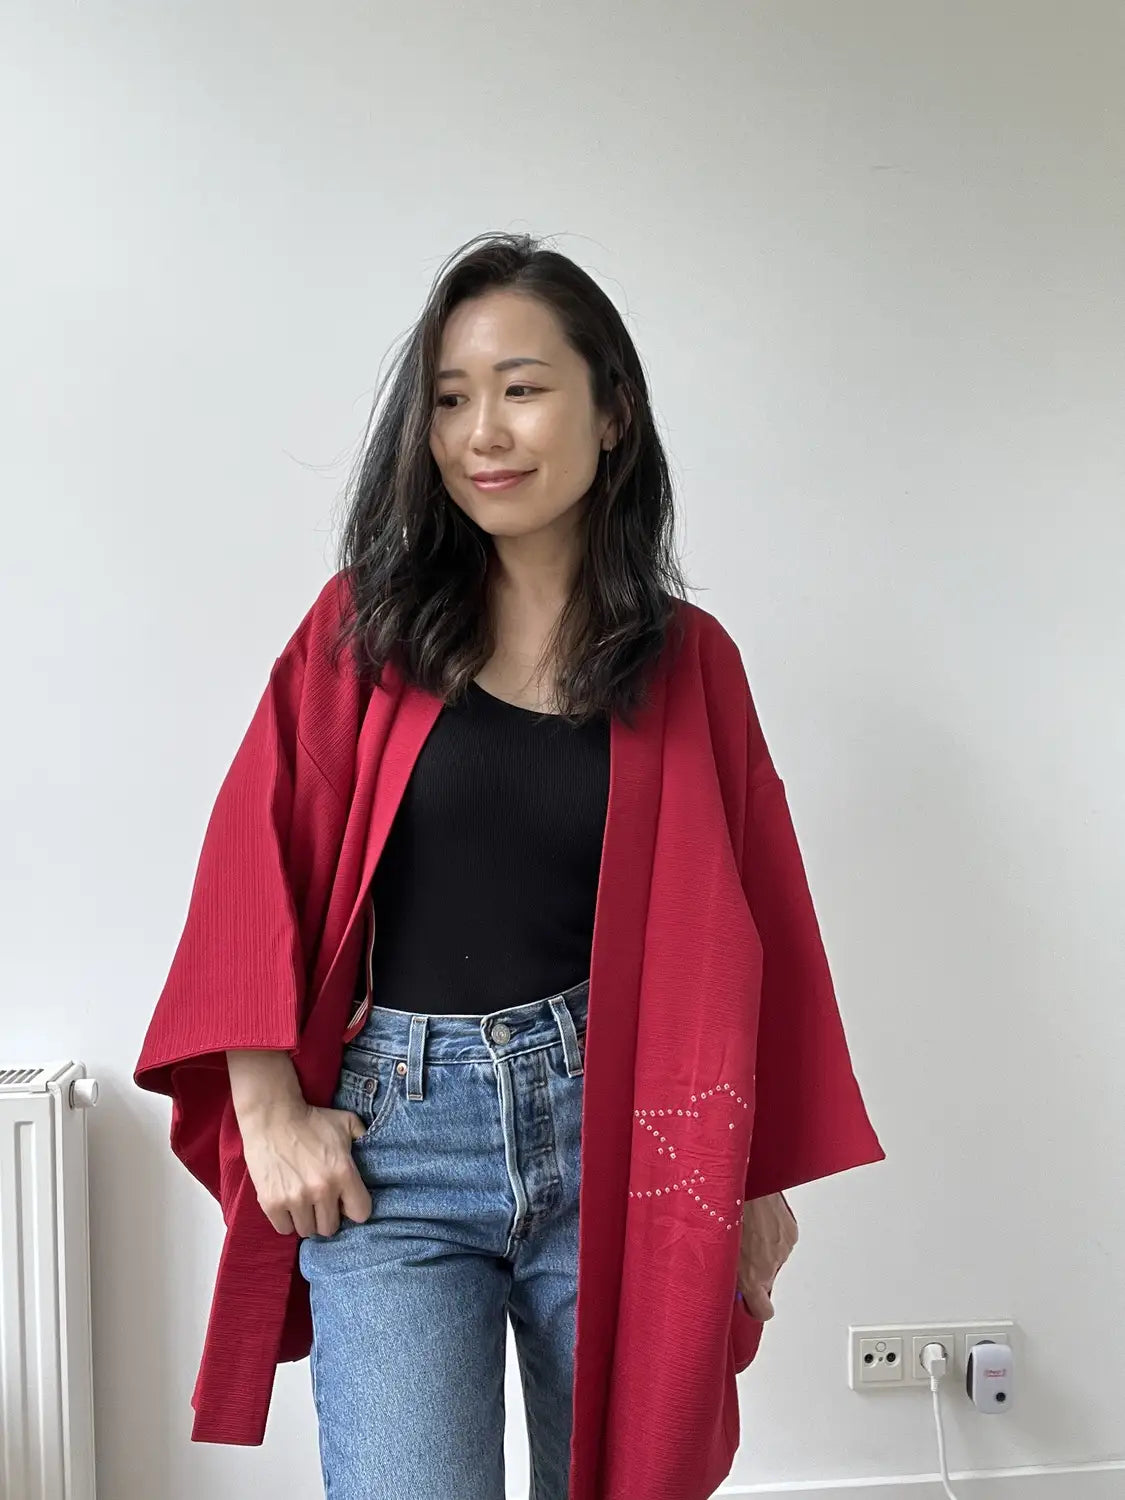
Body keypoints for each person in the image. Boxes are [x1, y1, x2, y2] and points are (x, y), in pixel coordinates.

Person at [135, 230, 884, 1500]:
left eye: (522, 388)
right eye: (449, 398)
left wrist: (751, 1175)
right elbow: (253, 864)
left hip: (625, 1133)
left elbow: (756, 931)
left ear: (614, 414)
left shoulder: (692, 665)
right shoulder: (365, 631)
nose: (483, 431)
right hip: (399, 1149)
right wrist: (266, 1113)